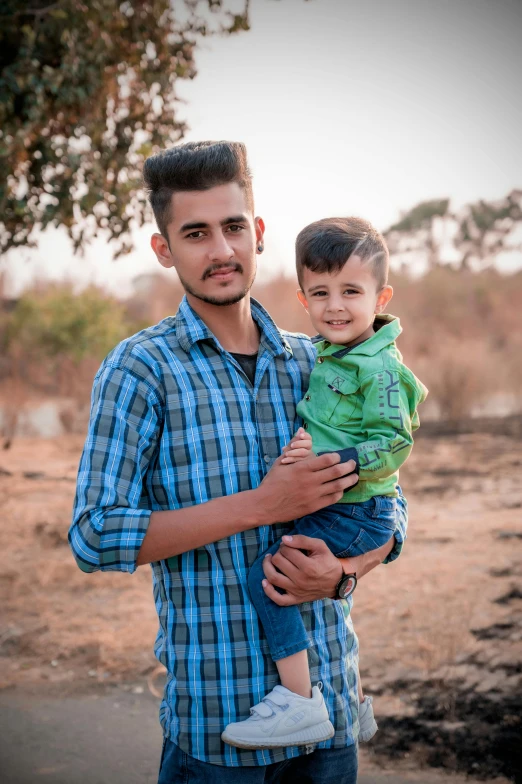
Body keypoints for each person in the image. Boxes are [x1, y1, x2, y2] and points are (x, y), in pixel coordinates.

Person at [69, 141, 408, 784]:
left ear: (256, 233)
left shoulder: (321, 362)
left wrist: (343, 573)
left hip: (332, 721)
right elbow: (94, 535)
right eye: (195, 233)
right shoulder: (142, 369)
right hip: (218, 739)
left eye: (232, 228)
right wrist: (263, 505)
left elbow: (394, 507)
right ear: (165, 249)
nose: (220, 251)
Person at [222, 217, 427, 751]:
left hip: (357, 508)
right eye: (321, 292)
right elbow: (327, 420)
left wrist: (327, 463)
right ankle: (353, 701)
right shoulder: (327, 353)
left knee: (269, 579)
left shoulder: (377, 367)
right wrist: (303, 444)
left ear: (379, 296)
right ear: (303, 298)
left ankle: (300, 701)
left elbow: (395, 444)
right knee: (324, 594)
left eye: (350, 292)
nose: (335, 305)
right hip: (349, 504)